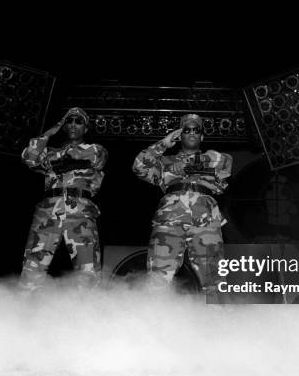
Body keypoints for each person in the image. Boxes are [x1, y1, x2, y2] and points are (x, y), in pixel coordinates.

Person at [132, 113, 232, 292]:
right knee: (157, 279)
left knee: (214, 278)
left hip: (206, 221)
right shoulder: (164, 162)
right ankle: (152, 319)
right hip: (169, 220)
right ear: (180, 136)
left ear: (202, 136)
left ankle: (219, 317)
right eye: (187, 130)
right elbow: (138, 167)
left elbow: (226, 163)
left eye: (196, 130)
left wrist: (188, 164)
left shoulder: (214, 159)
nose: (192, 132)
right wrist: (163, 144)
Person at [20, 107, 108, 291]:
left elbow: (92, 158)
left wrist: (60, 163)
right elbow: (29, 157)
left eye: (78, 121)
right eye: (69, 121)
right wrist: (52, 131)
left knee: (88, 271)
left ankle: (90, 316)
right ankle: (24, 313)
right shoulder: (49, 152)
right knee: (32, 268)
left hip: (81, 212)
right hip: (48, 213)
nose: (73, 124)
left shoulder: (96, 149)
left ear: (86, 128)